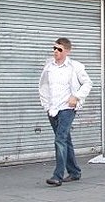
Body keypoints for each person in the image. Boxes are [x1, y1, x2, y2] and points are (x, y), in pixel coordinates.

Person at [39, 37, 92, 187]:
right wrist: (46, 106)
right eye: (54, 48)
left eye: (59, 49)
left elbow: (88, 83)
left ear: (67, 51)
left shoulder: (75, 67)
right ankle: (74, 172)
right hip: (53, 109)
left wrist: (76, 97)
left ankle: (58, 175)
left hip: (67, 108)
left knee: (60, 139)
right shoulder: (49, 67)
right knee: (65, 140)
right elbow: (43, 86)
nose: (55, 51)